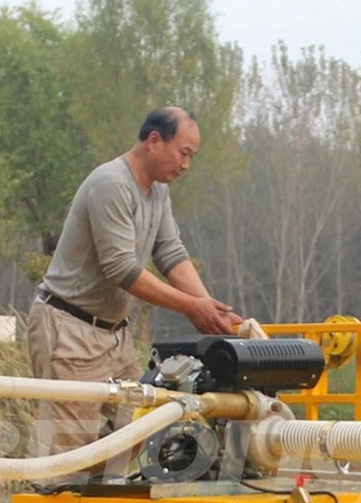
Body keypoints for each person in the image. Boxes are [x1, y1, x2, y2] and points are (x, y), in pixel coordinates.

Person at [27, 106, 244, 470]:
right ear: (155, 141)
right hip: (69, 328)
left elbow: (170, 252)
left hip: (114, 335)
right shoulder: (112, 184)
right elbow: (121, 268)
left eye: (192, 156)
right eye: (184, 153)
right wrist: (192, 308)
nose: (186, 165)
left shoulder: (158, 192)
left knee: (143, 424)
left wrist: (210, 308)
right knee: (66, 452)